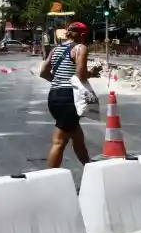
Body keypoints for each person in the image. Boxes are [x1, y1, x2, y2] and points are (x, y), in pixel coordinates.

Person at [39, 22, 102, 169]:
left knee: (77, 138)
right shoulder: (80, 48)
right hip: (69, 98)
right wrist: (92, 73)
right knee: (59, 142)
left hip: (54, 96)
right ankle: (48, 180)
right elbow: (80, 74)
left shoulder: (55, 50)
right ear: (82, 34)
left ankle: (90, 170)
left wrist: (59, 82)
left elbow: (43, 73)